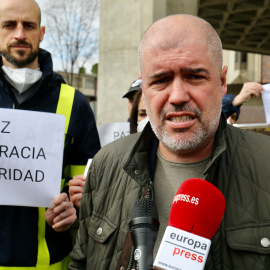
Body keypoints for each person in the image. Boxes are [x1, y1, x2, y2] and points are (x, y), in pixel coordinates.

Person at [69, 14, 270, 270]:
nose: (177, 96)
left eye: (194, 76)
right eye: (161, 80)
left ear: (221, 82)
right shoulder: (105, 164)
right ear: (144, 88)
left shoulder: (266, 166)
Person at [0, 0, 101, 269]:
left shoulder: (75, 104)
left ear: (41, 33)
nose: (19, 34)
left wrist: (75, 209)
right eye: (9, 25)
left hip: (50, 264)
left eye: (28, 26)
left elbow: (91, 189)